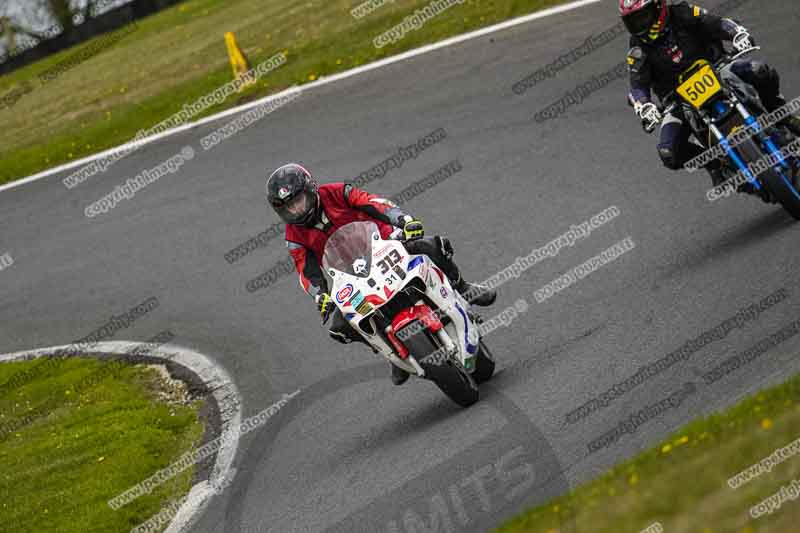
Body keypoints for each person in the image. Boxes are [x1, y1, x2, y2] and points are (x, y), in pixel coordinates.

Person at [267, 163, 496, 385]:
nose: (297, 209)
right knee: (340, 325)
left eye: (299, 201)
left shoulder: (337, 192)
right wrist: (320, 296)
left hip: (384, 243)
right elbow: (306, 271)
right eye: (290, 207)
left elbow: (375, 203)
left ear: (310, 189)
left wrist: (402, 220)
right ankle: (387, 347)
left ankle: (462, 287)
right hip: (349, 274)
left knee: (433, 245)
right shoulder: (293, 237)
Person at [620, 0, 800, 188]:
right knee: (668, 151)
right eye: (633, 21)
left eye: (643, 17)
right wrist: (644, 105)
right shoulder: (637, 49)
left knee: (759, 70)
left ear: (659, 8)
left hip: (719, 69)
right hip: (679, 101)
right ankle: (716, 165)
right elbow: (636, 86)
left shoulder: (683, 12)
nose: (640, 25)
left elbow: (717, 22)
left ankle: (780, 114)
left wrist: (737, 34)